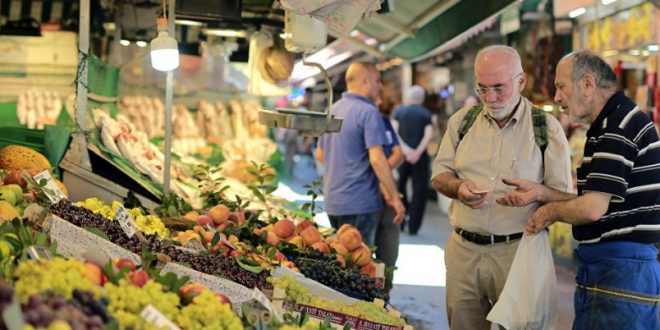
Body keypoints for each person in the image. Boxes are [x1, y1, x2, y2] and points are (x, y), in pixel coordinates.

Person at [498, 50, 660, 329]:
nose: (557, 97)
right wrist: (541, 193)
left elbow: (591, 209)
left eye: (561, 87)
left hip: (618, 272)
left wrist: (549, 212)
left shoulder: (615, 128)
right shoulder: (615, 122)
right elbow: (598, 200)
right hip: (624, 270)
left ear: (587, 84)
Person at [431, 45, 572, 329]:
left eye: (498, 87)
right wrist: (458, 188)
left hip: (519, 252)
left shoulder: (546, 128)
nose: (490, 98)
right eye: (482, 89)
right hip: (464, 251)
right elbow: (439, 175)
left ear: (521, 81)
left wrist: (537, 195)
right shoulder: (462, 122)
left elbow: (565, 199)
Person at [315, 61, 405, 246]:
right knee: (360, 265)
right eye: (377, 80)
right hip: (361, 203)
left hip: (333, 202)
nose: (380, 86)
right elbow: (377, 159)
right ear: (365, 82)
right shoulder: (369, 112)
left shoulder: (332, 110)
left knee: (340, 262)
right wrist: (395, 197)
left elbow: (320, 155)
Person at [392, 85, 433, 235]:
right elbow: (428, 135)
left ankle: (401, 220)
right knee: (419, 191)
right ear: (421, 98)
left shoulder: (399, 112)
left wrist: (406, 150)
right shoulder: (426, 113)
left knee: (400, 188)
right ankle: (414, 226)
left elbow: (394, 132)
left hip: (402, 157)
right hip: (420, 158)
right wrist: (417, 152)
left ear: (409, 97)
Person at [375, 95, 404, 291]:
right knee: (384, 257)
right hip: (379, 197)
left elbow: (321, 155)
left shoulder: (381, 120)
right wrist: (382, 177)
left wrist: (378, 175)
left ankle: (377, 301)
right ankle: (381, 298)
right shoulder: (378, 120)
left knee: (361, 258)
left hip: (373, 196)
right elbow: (397, 154)